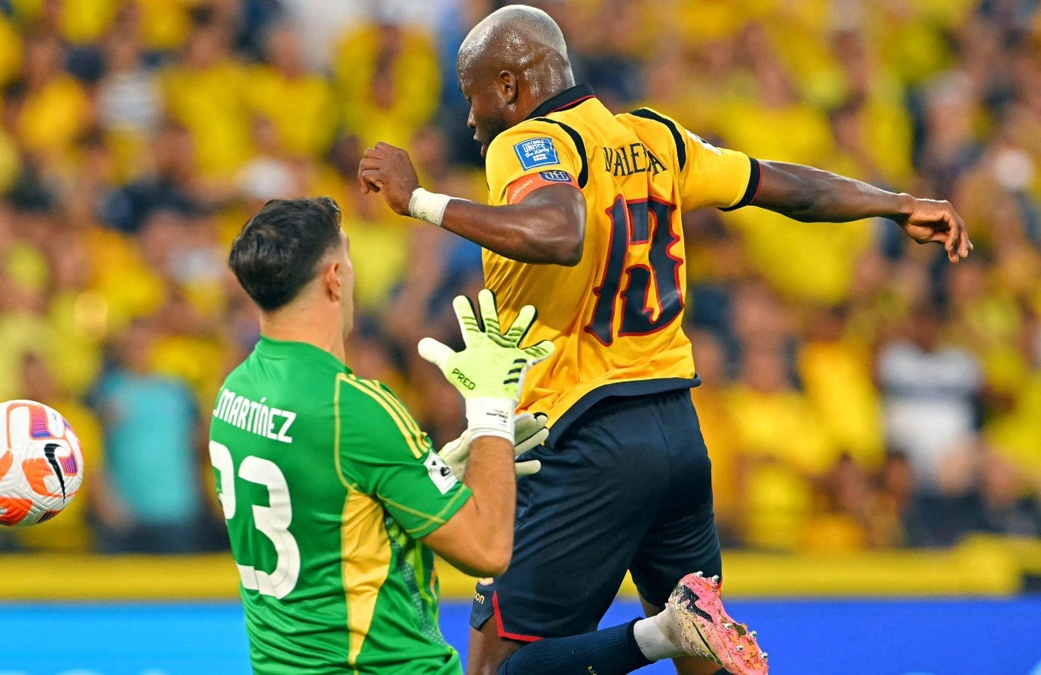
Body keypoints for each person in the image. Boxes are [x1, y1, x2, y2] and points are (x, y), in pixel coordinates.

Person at [357, 6, 973, 675]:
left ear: (508, 86)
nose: (470, 119)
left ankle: (655, 636)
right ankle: (673, 631)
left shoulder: (528, 142)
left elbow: (559, 232)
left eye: (472, 96)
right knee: (709, 652)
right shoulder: (657, 139)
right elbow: (780, 185)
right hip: (677, 434)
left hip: (581, 435)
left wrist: (418, 201)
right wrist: (896, 202)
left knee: (496, 670)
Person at [210, 197, 753, 675]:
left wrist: (429, 475)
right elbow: (487, 549)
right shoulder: (354, 407)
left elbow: (328, 512)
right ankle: (664, 633)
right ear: (334, 277)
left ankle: (666, 631)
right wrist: (491, 409)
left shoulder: (235, 392)